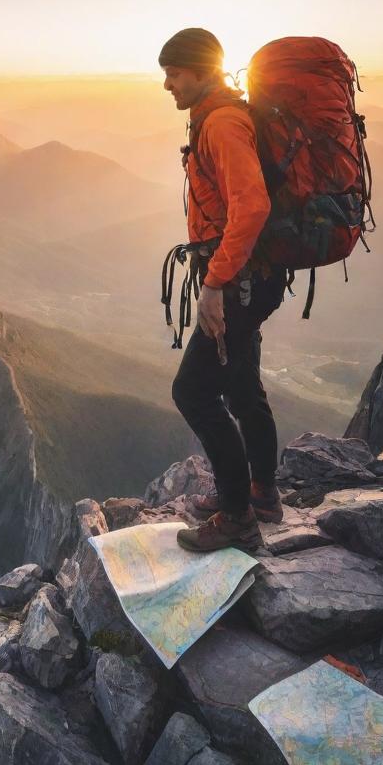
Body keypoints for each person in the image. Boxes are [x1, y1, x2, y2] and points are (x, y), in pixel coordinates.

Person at [158, 28, 287, 553]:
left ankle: (237, 516)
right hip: (250, 278)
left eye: (173, 73)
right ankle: (261, 494)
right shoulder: (217, 116)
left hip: (238, 281)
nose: (166, 84)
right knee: (240, 387)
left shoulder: (223, 122)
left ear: (200, 71)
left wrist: (214, 283)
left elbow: (252, 207)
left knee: (192, 392)